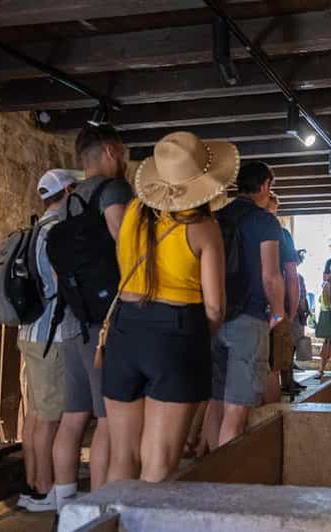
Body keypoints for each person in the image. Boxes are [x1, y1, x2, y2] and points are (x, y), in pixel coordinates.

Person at [103, 132, 231, 482]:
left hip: (125, 329)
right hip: (177, 331)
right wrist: (196, 340)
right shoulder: (203, 227)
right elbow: (215, 308)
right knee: (158, 462)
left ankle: (113, 514)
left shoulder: (132, 212)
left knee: (123, 455)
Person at [52, 125, 133, 508]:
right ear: (111, 151)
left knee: (73, 417)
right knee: (108, 422)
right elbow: (125, 245)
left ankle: (65, 505)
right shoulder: (113, 191)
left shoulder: (69, 202)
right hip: (105, 323)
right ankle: (98, 511)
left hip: (74, 320)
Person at [204, 161, 285, 449]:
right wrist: (278, 311)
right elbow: (271, 275)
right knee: (237, 410)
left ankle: (211, 469)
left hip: (213, 318)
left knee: (215, 402)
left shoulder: (214, 217)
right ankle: (227, 474)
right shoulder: (265, 221)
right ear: (265, 186)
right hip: (248, 319)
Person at [17, 169, 79, 512]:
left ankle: (32, 483)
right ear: (68, 192)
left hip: (30, 332)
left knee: (37, 412)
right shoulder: (56, 231)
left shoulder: (34, 230)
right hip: (51, 336)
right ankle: (44, 490)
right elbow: (60, 283)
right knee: (51, 416)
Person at [265, 192, 302, 400]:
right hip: (276, 308)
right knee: (273, 367)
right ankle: (271, 414)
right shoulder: (282, 234)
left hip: (247, 308)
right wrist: (291, 312)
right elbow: (292, 276)